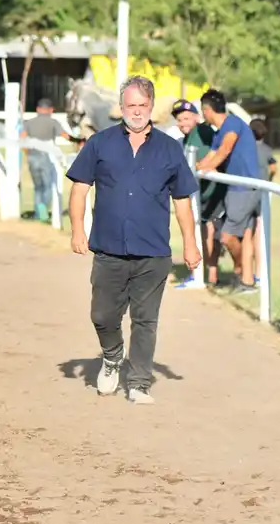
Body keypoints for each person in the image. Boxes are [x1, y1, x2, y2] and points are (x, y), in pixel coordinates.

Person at [66, 76, 202, 405]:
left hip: (153, 252)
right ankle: (112, 356)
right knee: (102, 316)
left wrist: (190, 243)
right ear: (121, 107)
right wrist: (77, 230)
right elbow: (79, 188)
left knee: (145, 320)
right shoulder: (100, 143)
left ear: (152, 107)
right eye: (131, 105)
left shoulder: (169, 149)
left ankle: (139, 382)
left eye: (143, 105)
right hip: (108, 249)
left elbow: (182, 200)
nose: (137, 111)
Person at [195, 89, 263, 294]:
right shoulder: (219, 132)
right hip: (234, 189)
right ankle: (247, 281)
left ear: (207, 110)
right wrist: (197, 168)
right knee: (245, 235)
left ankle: (240, 269)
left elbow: (225, 149)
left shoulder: (232, 123)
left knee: (227, 237)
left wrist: (207, 167)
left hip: (244, 189)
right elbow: (212, 155)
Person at [175, 99, 223, 287]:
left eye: (186, 118)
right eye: (179, 120)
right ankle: (203, 274)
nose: (183, 123)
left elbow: (214, 155)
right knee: (202, 231)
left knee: (209, 231)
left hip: (213, 193)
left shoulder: (203, 131)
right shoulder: (185, 139)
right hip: (198, 194)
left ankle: (207, 274)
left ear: (196, 117)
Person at [20, 98, 66, 221]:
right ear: (51, 110)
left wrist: (27, 153)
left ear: (38, 109)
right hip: (47, 157)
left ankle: (38, 213)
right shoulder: (53, 122)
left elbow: (22, 139)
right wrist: (78, 140)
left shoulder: (29, 123)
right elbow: (64, 135)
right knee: (47, 185)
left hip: (32, 156)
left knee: (38, 187)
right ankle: (43, 208)